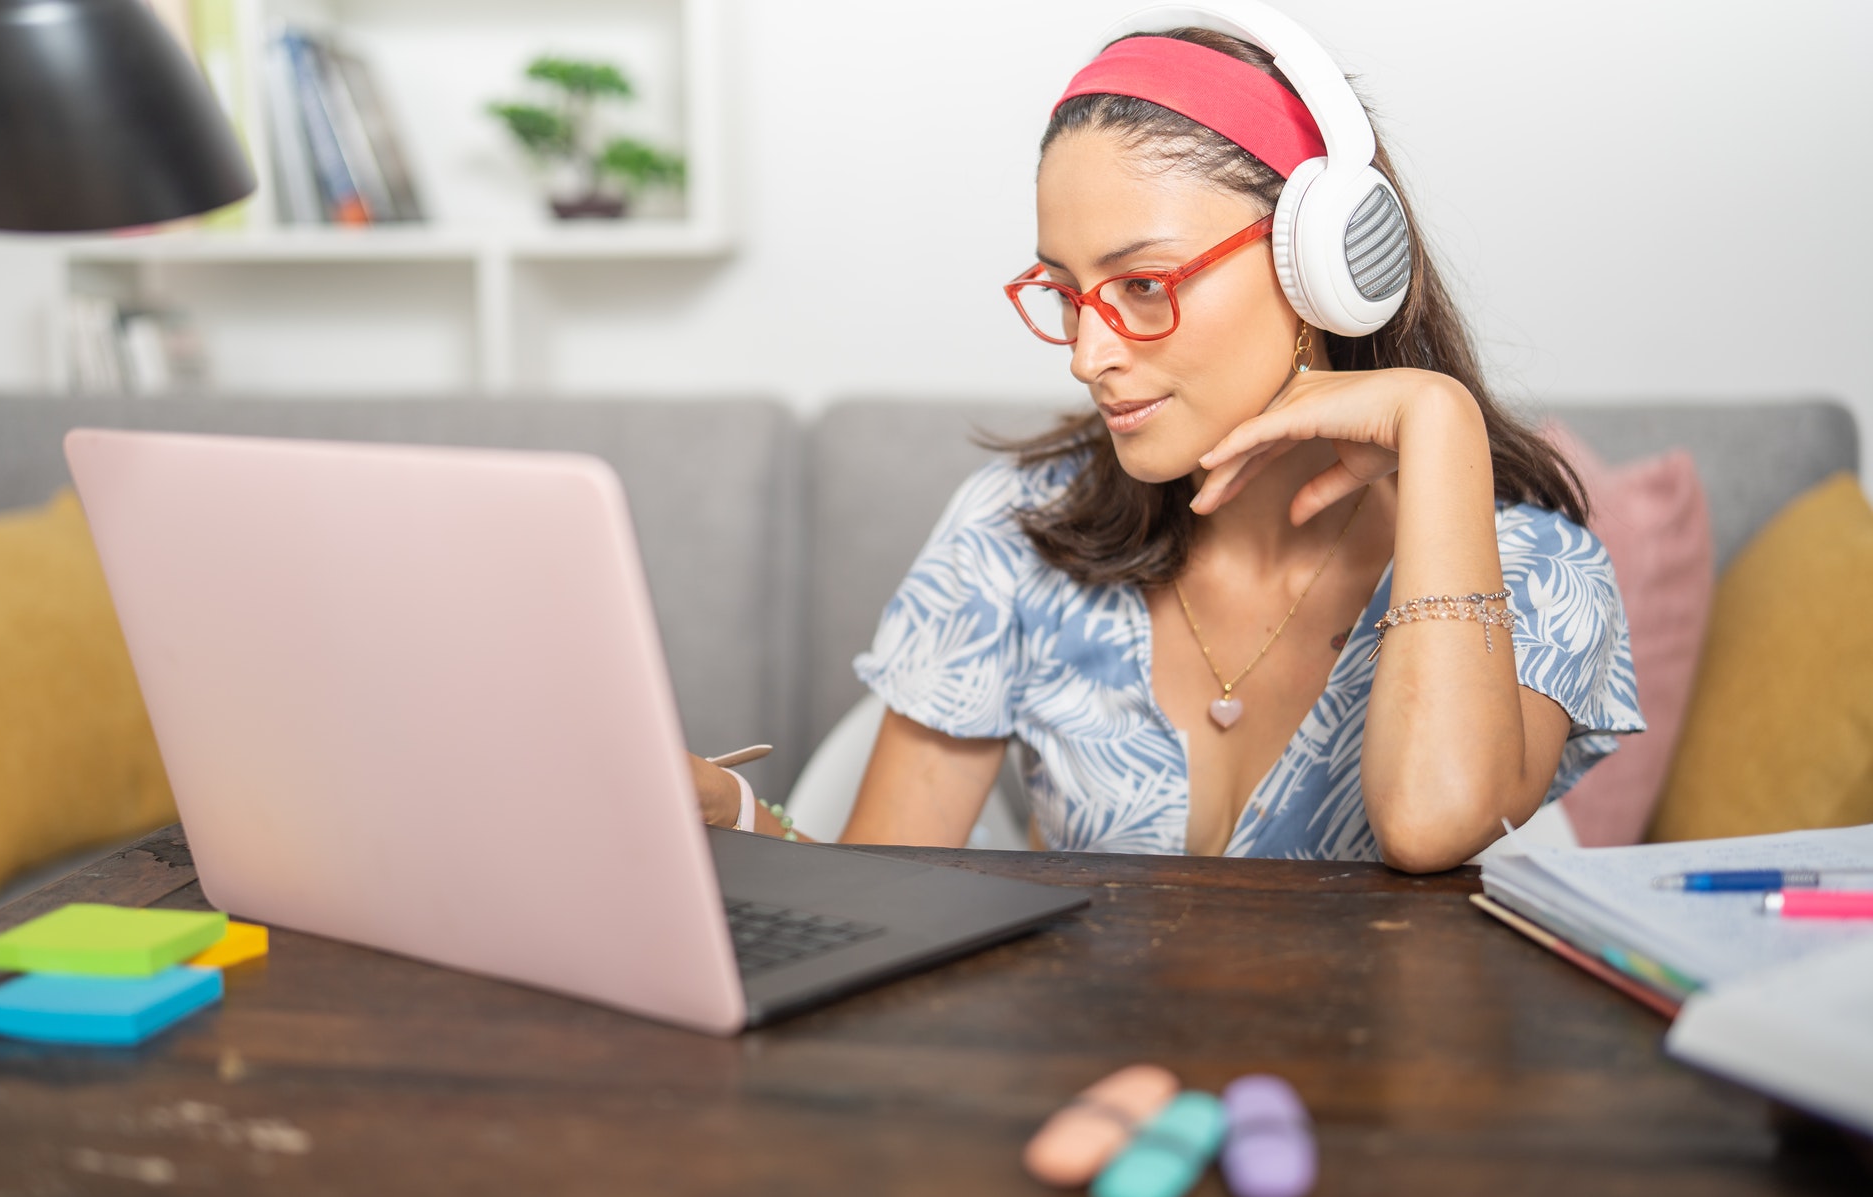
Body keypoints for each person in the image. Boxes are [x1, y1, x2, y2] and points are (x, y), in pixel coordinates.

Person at [693, 9, 1642, 872]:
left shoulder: (1539, 570)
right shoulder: (1016, 531)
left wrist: (1440, 422)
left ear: (1321, 268)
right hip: (1093, 1068)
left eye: (1144, 285)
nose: (1089, 356)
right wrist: (725, 807)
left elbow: (1432, 821)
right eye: (1066, 295)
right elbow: (882, 895)